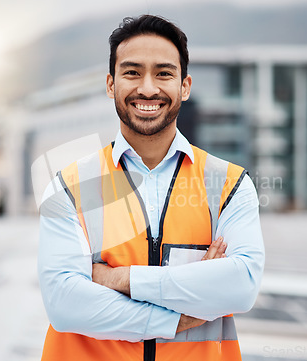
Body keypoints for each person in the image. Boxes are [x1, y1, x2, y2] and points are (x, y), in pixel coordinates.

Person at [38, 14, 265, 361]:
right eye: (132, 72)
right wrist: (175, 316)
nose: (147, 88)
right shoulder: (69, 186)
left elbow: (241, 286)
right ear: (111, 84)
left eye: (163, 73)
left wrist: (121, 279)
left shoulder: (230, 185)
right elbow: (64, 302)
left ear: (184, 86)